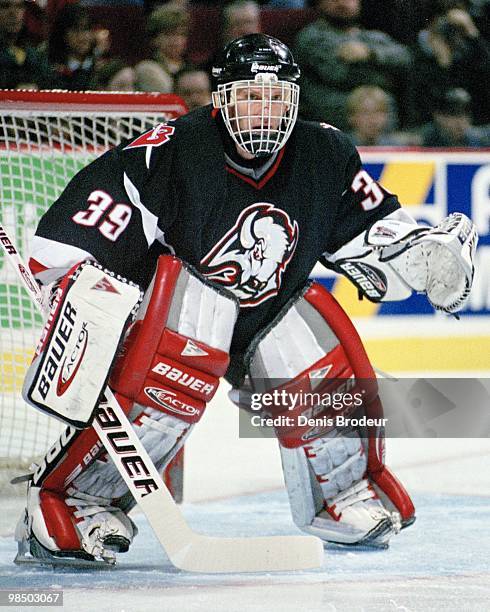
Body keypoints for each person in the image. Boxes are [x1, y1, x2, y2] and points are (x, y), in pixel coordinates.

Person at [15, 34, 477, 566]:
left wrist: (416, 254)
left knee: (317, 358)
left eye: (277, 98)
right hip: (183, 306)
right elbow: (81, 230)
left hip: (267, 310)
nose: (264, 112)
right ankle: (74, 501)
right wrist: (76, 281)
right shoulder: (171, 150)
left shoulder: (325, 152)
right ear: (221, 97)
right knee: (173, 371)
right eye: (251, 98)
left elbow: (373, 234)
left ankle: (342, 494)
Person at [294, 0, 411, 129]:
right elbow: (340, 75)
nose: (342, 3)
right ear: (321, 3)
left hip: (382, 115)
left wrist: (370, 54)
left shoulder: (373, 37)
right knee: (368, 102)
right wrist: (385, 76)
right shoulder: (312, 37)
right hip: (331, 116)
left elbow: (406, 59)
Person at [408, 0, 490, 127]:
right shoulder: (417, 54)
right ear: (431, 24)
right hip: (432, 128)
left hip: (473, 127)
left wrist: (473, 34)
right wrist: (442, 65)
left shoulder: (470, 52)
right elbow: (424, 107)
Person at [0, 0, 53, 89]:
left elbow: (49, 82)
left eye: (19, 6)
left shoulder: (34, 52)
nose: (13, 13)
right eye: (5, 6)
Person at [420, 88, 490, 147]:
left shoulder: (480, 139)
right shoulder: (423, 139)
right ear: (438, 116)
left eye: (465, 114)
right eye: (454, 115)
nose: (461, 121)